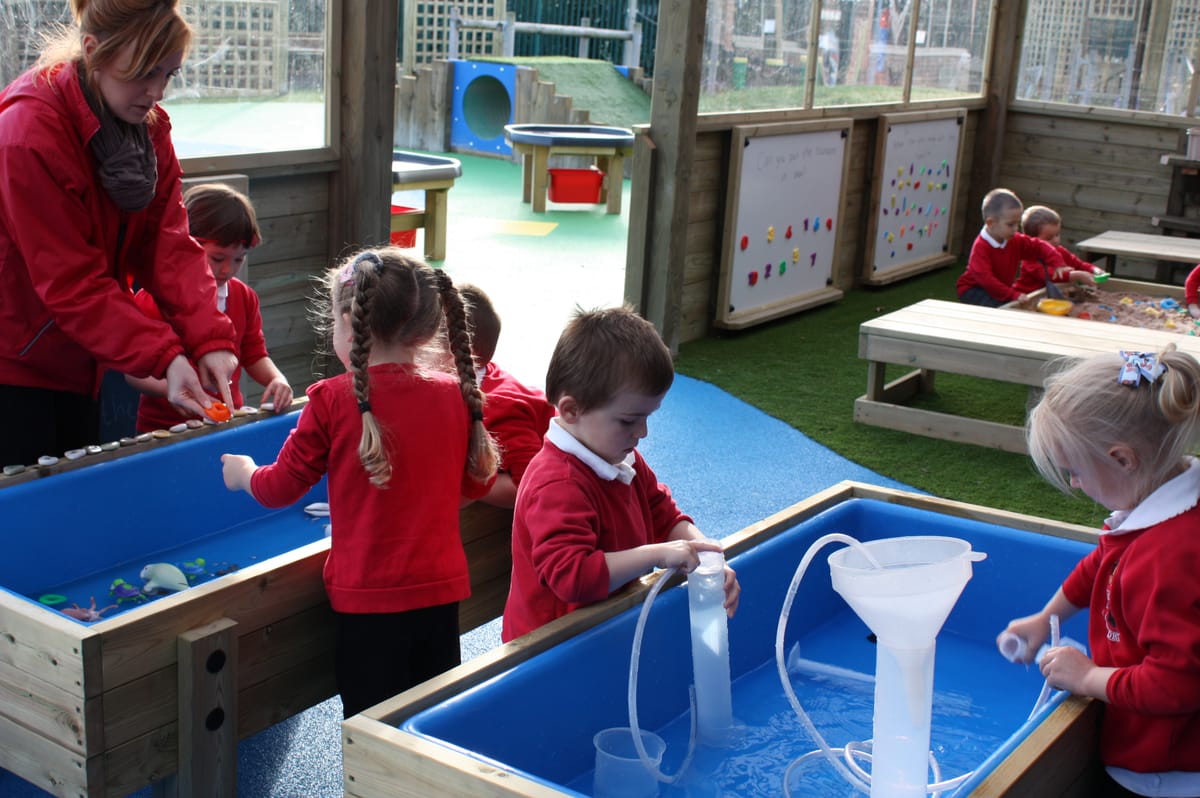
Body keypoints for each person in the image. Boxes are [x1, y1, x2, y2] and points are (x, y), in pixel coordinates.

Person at [221, 247, 498, 717]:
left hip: (368, 607)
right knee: (428, 724)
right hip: (439, 596)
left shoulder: (330, 400)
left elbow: (279, 488)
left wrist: (244, 474)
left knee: (370, 730)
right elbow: (473, 485)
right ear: (430, 329)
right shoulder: (454, 394)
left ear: (349, 321)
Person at [0, 0, 238, 465]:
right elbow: (71, 281)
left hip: (83, 352)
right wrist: (165, 355)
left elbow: (167, 243)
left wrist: (211, 339)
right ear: (93, 51)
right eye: (143, 74)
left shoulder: (146, 129)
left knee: (76, 495)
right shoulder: (27, 134)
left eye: (168, 75)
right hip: (15, 360)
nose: (156, 93)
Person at [997, 347, 1200, 797]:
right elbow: (1098, 568)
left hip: (1163, 771)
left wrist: (1087, 678)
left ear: (1123, 459)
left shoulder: (1168, 556)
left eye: (1075, 471)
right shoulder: (1164, 498)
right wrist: (1044, 618)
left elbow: (1175, 685)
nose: (1073, 484)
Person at [501, 305, 740, 642]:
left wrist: (702, 552)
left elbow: (662, 513)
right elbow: (572, 576)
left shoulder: (619, 457)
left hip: (606, 625)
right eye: (629, 420)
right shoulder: (558, 483)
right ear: (571, 410)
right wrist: (658, 554)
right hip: (551, 649)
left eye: (648, 417)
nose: (642, 432)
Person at [127, 183, 292, 431]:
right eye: (217, 258)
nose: (228, 269)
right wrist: (181, 388)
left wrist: (277, 379)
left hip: (226, 423)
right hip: (163, 431)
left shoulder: (244, 297)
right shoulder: (152, 300)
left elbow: (255, 354)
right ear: (187, 246)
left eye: (239, 259)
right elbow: (135, 375)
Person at [459, 283, 555, 508]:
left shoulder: (499, 407)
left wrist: (469, 484)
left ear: (469, 354)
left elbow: (530, 485)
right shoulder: (475, 376)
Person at [956, 188, 1069, 308]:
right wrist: (1012, 294)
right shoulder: (981, 247)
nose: (1015, 229)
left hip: (998, 288)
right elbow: (987, 280)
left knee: (1011, 305)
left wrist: (1056, 261)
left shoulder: (1014, 239)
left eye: (1017, 223)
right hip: (974, 289)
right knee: (1005, 308)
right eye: (1010, 224)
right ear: (991, 223)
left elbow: (1038, 246)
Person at [1012, 205, 1103, 295]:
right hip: (1026, 297)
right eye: (1049, 238)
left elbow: (1079, 264)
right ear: (1032, 240)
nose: (1056, 240)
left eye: (1057, 234)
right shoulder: (1030, 259)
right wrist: (1077, 275)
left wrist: (1094, 270)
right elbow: (1052, 276)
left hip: (1049, 296)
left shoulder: (1059, 251)